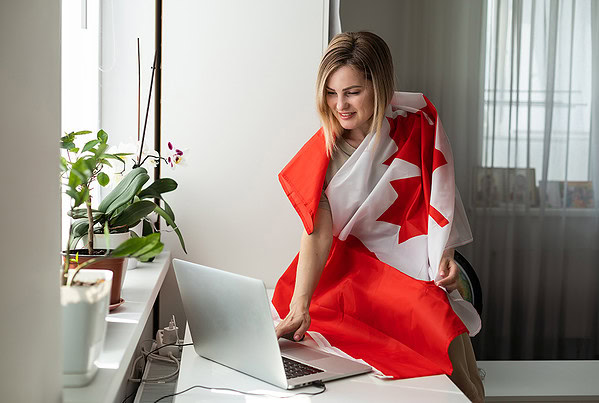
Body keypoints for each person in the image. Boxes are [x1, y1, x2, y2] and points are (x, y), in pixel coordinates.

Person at [272, 31, 484, 402]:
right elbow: (318, 233)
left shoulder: (418, 128)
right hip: (348, 273)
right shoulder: (324, 152)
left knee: (444, 336)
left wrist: (444, 253)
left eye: (352, 92)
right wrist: (300, 306)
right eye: (331, 93)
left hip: (408, 272)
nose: (340, 106)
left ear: (379, 84)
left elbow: (439, 200)